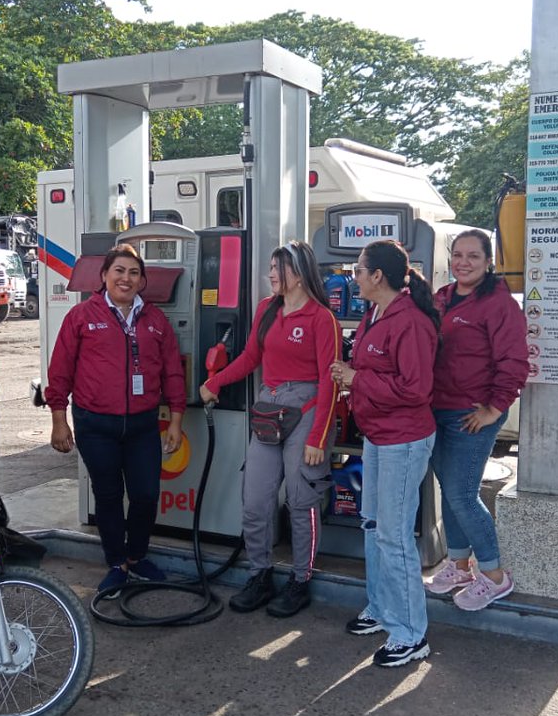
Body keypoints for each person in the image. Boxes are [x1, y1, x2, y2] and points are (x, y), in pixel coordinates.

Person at [199, 240, 340, 617]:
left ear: (299, 273)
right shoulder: (266, 309)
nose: (272, 274)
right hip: (269, 407)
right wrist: (216, 382)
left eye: (278, 268)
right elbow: (250, 357)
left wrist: (318, 437)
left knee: (301, 499)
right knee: (255, 500)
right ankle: (260, 574)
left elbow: (330, 382)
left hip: (306, 410)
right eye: (272, 268)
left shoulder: (321, 318)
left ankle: (300, 580)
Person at [45, 244, 186, 597]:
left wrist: (176, 421)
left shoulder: (155, 321)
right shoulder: (81, 317)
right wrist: (59, 420)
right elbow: (59, 372)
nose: (126, 278)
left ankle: (137, 557)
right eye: (119, 271)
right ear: (104, 276)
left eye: (133, 273)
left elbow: (172, 373)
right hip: (95, 425)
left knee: (145, 494)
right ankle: (116, 564)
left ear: (142, 281)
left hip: (141, 425)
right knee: (107, 496)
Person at [330, 241, 440, 668]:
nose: (353, 277)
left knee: (393, 536)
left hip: (403, 440)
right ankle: (381, 608)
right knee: (374, 524)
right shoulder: (377, 314)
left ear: (377, 276)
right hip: (379, 436)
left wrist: (356, 379)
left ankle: (411, 633)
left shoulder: (408, 322)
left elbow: (415, 390)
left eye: (358, 270)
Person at [427, 230, 529, 611]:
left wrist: (493, 408)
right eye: (457, 255)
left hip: (471, 415)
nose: (463, 262)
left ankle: (495, 576)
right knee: (448, 493)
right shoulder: (442, 298)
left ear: (489, 262)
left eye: (473, 256)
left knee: (462, 495)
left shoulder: (499, 306)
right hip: (435, 409)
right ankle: (459, 565)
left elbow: (515, 362)